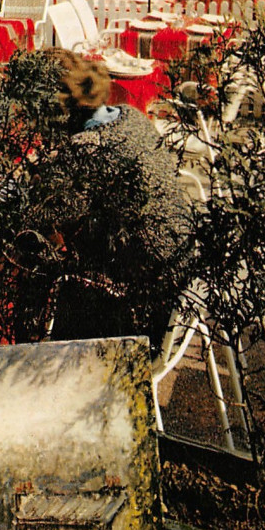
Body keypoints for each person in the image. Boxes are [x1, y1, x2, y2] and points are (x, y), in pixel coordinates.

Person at [48, 51, 191, 349]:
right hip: (182, 283)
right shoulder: (132, 117)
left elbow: (49, 225)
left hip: (141, 312)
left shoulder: (83, 150)